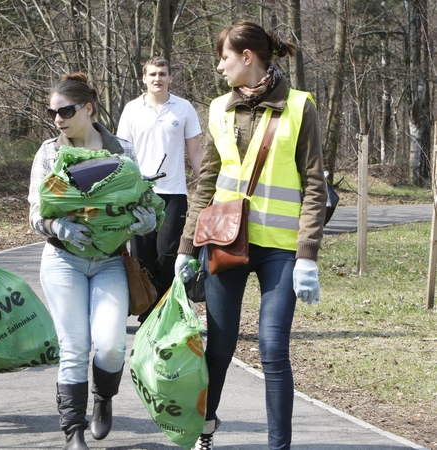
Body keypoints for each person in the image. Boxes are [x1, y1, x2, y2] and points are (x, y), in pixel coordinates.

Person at [174, 22, 327, 450]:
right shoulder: (218, 108)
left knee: (273, 349)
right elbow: (206, 181)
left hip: (281, 250)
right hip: (224, 241)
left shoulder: (299, 107)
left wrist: (308, 254)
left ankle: (280, 447)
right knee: (219, 348)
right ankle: (205, 430)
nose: (219, 66)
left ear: (246, 57)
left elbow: (314, 184)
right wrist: (187, 247)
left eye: (224, 57)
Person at [28, 72, 157, 450]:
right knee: (75, 346)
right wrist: (57, 226)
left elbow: (142, 200)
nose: (58, 118)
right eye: (52, 112)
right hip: (62, 260)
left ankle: (104, 399)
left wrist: (146, 219)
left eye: (66, 110)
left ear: (88, 109)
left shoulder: (122, 151)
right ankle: (73, 432)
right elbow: (36, 212)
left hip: (110, 260)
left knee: (111, 344)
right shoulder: (49, 153)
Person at [116, 56, 203, 323]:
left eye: (163, 74)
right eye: (152, 74)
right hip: (139, 195)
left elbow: (196, 152)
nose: (158, 78)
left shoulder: (184, 108)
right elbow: (121, 154)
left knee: (168, 254)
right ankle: (148, 314)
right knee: (142, 255)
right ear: (143, 78)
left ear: (170, 78)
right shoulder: (132, 110)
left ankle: (167, 313)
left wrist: (209, 190)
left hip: (174, 193)